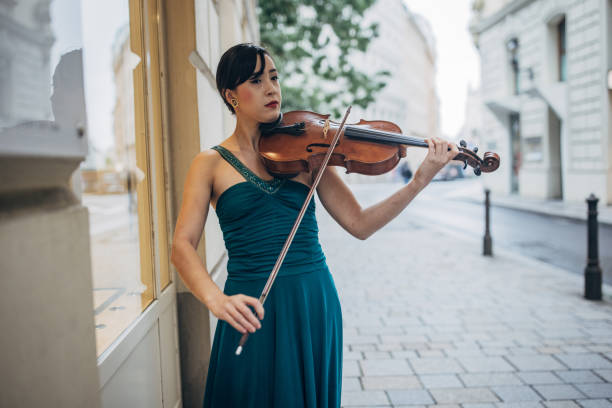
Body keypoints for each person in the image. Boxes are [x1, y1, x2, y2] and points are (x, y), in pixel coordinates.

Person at [170, 42, 459, 408]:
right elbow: (182, 244)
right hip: (246, 306)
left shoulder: (309, 155)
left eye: (274, 77)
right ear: (231, 96)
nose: (272, 88)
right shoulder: (209, 163)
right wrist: (216, 300)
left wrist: (419, 180)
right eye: (257, 81)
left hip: (312, 300)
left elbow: (361, 223)